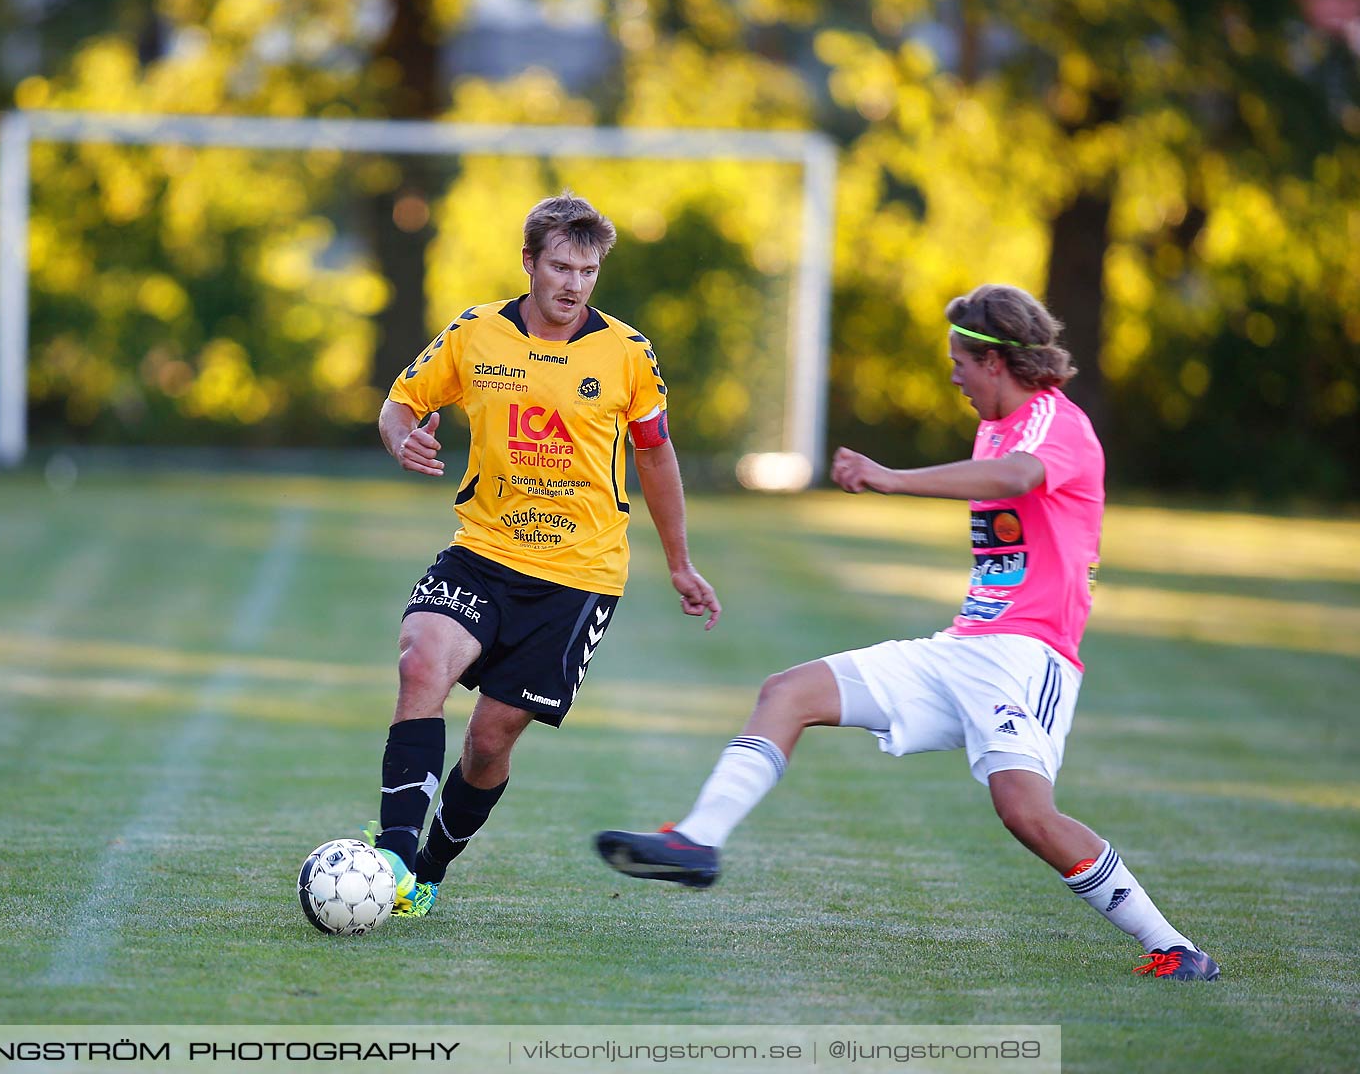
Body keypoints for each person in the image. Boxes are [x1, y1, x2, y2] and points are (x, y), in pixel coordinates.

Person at [596, 283, 1219, 981]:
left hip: (1028, 657)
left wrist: (890, 478)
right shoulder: (993, 427)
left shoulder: (1055, 423)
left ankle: (1175, 947)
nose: (952, 374)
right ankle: (698, 841)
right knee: (789, 691)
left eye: (959, 360)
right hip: (962, 647)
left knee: (1024, 812)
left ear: (995, 360)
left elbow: (1018, 476)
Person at [367, 192, 721, 918]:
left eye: (588, 270)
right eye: (561, 266)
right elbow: (399, 402)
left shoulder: (627, 353)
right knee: (420, 663)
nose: (574, 284)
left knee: (489, 741)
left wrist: (679, 562)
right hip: (483, 551)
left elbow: (656, 456)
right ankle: (393, 858)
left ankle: (430, 867)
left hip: (575, 578)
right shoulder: (475, 334)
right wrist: (401, 436)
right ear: (528, 262)